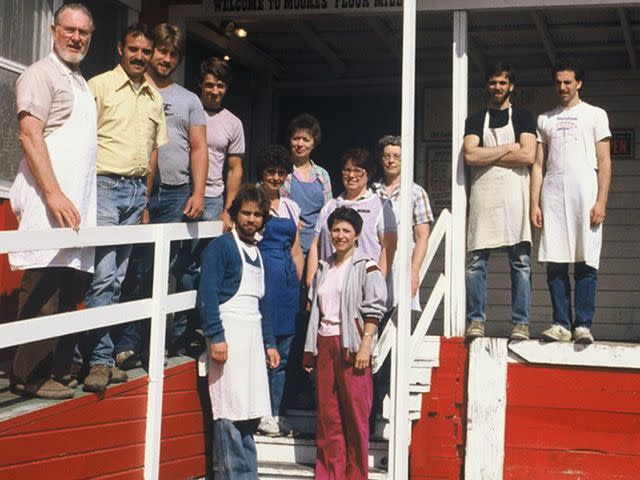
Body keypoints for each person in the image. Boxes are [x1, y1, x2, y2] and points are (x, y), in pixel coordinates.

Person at [8, 3, 96, 400]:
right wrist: (54, 193)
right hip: (50, 202)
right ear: (53, 29)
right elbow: (30, 136)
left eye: (84, 33)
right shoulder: (39, 75)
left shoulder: (78, 80)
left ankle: (52, 370)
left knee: (63, 286)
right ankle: (28, 375)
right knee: (41, 283)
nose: (76, 38)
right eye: (70, 30)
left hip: (74, 205)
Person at [113, 23, 208, 367]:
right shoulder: (134, 90)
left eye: (173, 54)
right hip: (134, 189)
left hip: (174, 192)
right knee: (127, 267)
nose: (166, 59)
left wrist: (198, 191)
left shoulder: (189, 100)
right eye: (161, 51)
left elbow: (198, 149)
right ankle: (120, 343)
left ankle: (145, 344)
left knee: (159, 270)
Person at [81, 23, 168, 392]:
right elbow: (82, 144)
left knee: (118, 279)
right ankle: (98, 360)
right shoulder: (98, 87)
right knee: (102, 277)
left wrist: (145, 199)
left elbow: (153, 153)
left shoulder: (154, 97)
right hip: (104, 185)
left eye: (146, 52)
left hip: (135, 193)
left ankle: (100, 353)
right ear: (120, 49)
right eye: (134, 49)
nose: (140, 57)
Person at [198, 184, 280, 479]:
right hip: (228, 337)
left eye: (257, 214)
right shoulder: (221, 247)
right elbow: (207, 295)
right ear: (235, 215)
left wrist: (270, 343)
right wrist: (216, 337)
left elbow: (263, 304)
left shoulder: (257, 252)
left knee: (248, 414)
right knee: (229, 413)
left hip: (253, 339)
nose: (251, 219)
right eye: (246, 213)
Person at [303, 207, 387, 480]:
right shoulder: (324, 266)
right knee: (328, 417)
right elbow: (316, 311)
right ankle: (329, 473)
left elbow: (374, 308)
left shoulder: (367, 265)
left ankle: (355, 475)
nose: (340, 235)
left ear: (357, 235)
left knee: (355, 416)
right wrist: (311, 351)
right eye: (336, 230)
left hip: (352, 346)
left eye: (346, 231)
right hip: (325, 344)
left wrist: (366, 345)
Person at [531, 59, 611, 344]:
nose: (563, 87)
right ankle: (561, 323)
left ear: (579, 83)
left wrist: (601, 201)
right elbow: (538, 165)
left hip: (585, 194)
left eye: (568, 82)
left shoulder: (595, 115)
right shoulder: (545, 119)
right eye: (558, 82)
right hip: (553, 195)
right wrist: (534, 204)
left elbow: (604, 161)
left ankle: (583, 325)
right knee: (555, 262)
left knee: (586, 261)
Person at [463, 63, 536, 340]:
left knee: (520, 261)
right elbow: (470, 157)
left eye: (503, 83)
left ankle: (521, 323)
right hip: (484, 197)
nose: (498, 87)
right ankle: (476, 320)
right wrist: (508, 147)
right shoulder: (475, 119)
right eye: (493, 82)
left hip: (515, 198)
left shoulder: (524, 117)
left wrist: (487, 154)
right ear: (487, 86)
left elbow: (528, 156)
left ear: (511, 86)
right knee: (476, 262)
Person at [254, 146, 304, 437]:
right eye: (271, 171)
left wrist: (297, 285)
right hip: (262, 280)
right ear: (262, 172)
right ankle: (259, 412)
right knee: (262, 347)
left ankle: (275, 412)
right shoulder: (252, 201)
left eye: (281, 173)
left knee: (283, 353)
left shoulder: (291, 207)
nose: (275, 177)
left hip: (285, 282)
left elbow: (297, 250)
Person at [306, 148, 396, 288]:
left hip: (362, 287)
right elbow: (314, 245)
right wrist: (311, 283)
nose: (351, 175)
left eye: (358, 170)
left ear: (369, 174)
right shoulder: (330, 206)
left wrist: (377, 285)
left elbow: (389, 248)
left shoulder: (381, 205)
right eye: (347, 170)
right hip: (328, 288)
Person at [372, 135, 434, 311]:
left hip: (401, 264)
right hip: (374, 260)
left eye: (397, 156)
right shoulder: (371, 190)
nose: (391, 161)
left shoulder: (415, 192)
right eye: (386, 156)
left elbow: (422, 237)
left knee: (398, 319)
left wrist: (414, 271)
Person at [200, 56, 244, 229]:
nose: (215, 91)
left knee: (207, 253)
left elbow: (235, 169)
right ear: (201, 84)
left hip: (213, 199)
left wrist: (228, 209)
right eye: (210, 85)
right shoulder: (188, 111)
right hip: (182, 193)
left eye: (220, 86)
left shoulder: (234, 123)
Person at [281, 113, 332, 256]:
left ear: (314, 143)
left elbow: (328, 210)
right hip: (290, 242)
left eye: (306, 139)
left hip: (317, 244)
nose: (300, 144)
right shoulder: (282, 173)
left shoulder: (322, 175)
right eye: (296, 138)